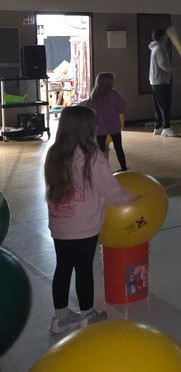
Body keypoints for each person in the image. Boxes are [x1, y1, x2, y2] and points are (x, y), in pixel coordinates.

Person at [45, 105, 137, 335]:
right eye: (93, 124)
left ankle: (60, 318)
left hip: (60, 224)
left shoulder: (55, 152)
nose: (97, 127)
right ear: (85, 129)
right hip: (84, 227)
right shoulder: (92, 157)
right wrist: (132, 200)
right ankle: (87, 315)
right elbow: (110, 191)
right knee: (84, 270)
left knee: (63, 268)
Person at [83, 72, 128, 171]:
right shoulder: (114, 95)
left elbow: (88, 110)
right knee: (118, 148)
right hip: (114, 127)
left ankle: (99, 170)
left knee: (100, 150)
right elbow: (122, 108)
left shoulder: (93, 97)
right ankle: (124, 168)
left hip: (99, 128)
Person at [149, 28, 175, 136]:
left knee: (158, 105)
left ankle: (158, 127)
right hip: (161, 81)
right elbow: (163, 64)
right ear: (161, 37)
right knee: (165, 105)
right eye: (165, 35)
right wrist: (174, 68)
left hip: (155, 81)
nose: (167, 37)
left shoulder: (156, 48)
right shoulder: (160, 48)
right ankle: (166, 128)